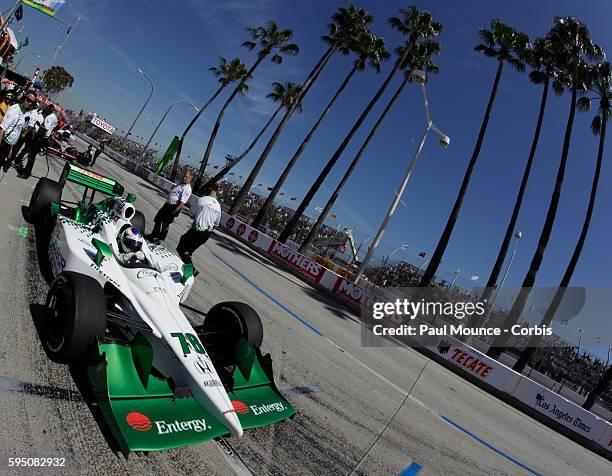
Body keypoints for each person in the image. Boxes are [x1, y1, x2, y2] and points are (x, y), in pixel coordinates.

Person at [176, 183, 221, 267]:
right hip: (206, 235)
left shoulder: (203, 200)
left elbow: (191, 214)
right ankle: (188, 270)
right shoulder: (218, 206)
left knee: (181, 247)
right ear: (217, 192)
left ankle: (191, 269)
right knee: (188, 252)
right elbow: (216, 224)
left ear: (210, 190)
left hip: (197, 231)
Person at [146, 170, 193, 244]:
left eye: (186, 177)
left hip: (173, 207)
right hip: (167, 204)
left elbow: (183, 202)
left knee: (165, 223)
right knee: (158, 219)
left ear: (190, 178)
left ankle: (159, 239)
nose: (184, 178)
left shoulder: (187, 189)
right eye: (183, 176)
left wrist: (175, 211)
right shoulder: (179, 184)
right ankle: (153, 235)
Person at [0, 91, 36, 173]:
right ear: (24, 98)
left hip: (9, 145)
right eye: (28, 100)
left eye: (32, 102)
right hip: (3, 143)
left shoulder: (24, 113)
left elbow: (16, 132)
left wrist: (11, 148)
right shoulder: (15, 109)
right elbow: (2, 128)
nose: (29, 103)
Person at [17, 104, 56, 178]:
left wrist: (39, 124)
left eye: (47, 109)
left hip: (40, 138)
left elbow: (46, 129)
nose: (46, 110)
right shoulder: (54, 117)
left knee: (31, 156)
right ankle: (26, 171)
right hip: (43, 138)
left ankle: (26, 173)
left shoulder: (49, 117)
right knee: (31, 156)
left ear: (49, 109)